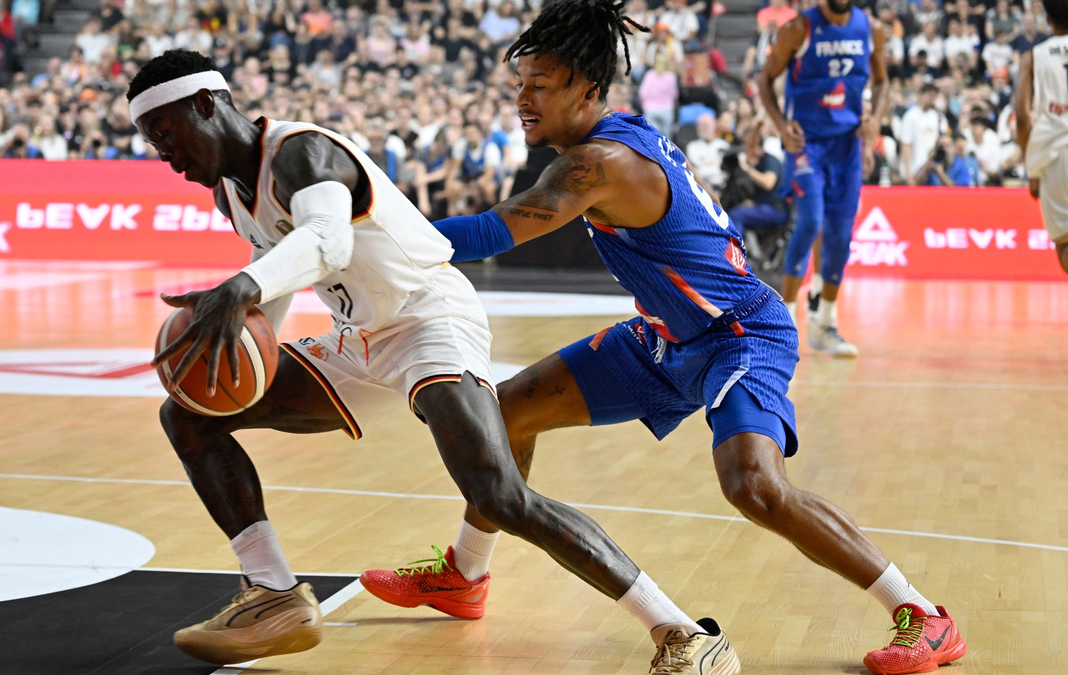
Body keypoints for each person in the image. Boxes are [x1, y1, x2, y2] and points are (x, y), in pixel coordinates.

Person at [360, 2, 965, 675]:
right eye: (520, 82)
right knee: (503, 415)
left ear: (588, 89)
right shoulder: (610, 140)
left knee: (754, 486)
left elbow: (489, 233)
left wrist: (363, 229)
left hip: (740, 332)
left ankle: (924, 615)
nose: (523, 99)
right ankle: (465, 574)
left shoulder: (601, 162)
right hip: (665, 337)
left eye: (541, 84)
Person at [130, 49, 693, 671]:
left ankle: (679, 629)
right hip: (359, 337)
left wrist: (240, 289)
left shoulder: (301, 152)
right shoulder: (230, 194)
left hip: (429, 317)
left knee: (498, 494)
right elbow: (279, 268)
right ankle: (273, 595)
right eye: (154, 143)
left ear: (205, 104)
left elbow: (325, 242)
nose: (165, 156)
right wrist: (249, 358)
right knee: (188, 415)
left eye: (166, 134)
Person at [756, 0, 889, 357]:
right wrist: (781, 126)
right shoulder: (798, 28)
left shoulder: (871, 29)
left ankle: (824, 323)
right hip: (806, 142)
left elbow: (882, 82)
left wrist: (875, 119)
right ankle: (783, 322)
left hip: (847, 143)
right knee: (811, 220)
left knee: (841, 236)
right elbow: (764, 78)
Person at [1016, 0, 1068, 274]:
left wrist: (1032, 169)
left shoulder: (1033, 56)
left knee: (1065, 243)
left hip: (1056, 155)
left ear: (1047, 20)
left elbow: (1022, 117)